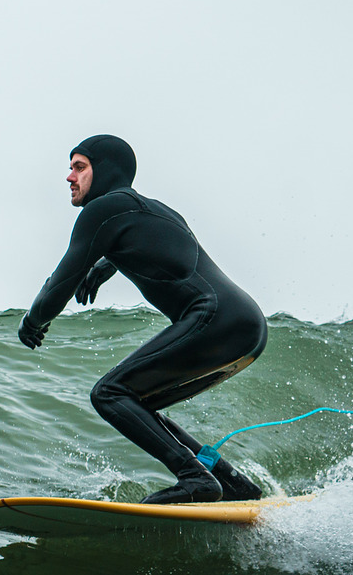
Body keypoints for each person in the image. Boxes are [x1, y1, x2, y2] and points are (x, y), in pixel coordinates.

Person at [17, 135, 267, 504]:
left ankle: (195, 478)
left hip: (214, 318)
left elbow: (60, 284)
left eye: (79, 167)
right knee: (137, 401)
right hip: (246, 325)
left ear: (105, 171)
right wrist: (105, 265)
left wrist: (33, 321)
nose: (70, 177)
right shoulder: (155, 210)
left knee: (109, 393)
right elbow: (156, 244)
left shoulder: (103, 211)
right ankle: (232, 483)